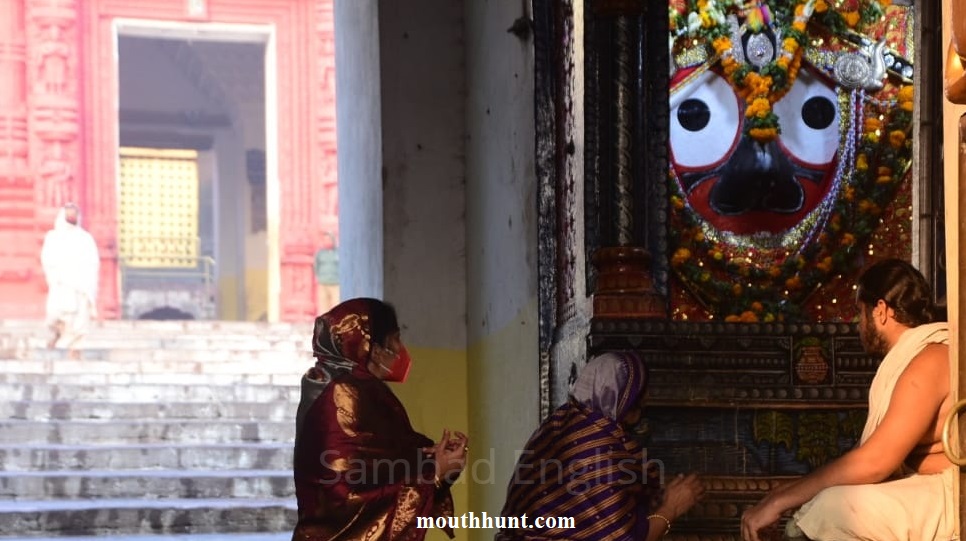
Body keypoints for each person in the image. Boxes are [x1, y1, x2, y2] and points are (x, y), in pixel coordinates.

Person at [740, 259, 956, 541]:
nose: (859, 325)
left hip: (950, 499)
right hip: (931, 492)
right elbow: (865, 461)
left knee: (832, 510)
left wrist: (780, 501)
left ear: (880, 311)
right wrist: (784, 494)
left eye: (860, 313)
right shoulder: (912, 358)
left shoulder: (929, 359)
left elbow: (876, 461)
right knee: (820, 504)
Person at [293, 298, 468, 541]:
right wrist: (434, 474)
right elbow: (341, 496)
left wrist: (432, 459)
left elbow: (385, 460)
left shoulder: (361, 390)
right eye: (395, 339)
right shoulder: (342, 394)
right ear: (371, 348)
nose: (399, 349)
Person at [497, 351, 705, 541]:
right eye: (641, 401)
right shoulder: (603, 454)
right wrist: (671, 509)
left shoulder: (556, 425)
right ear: (624, 403)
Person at [40, 203, 99, 354]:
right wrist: (56, 276)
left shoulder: (85, 238)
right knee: (56, 314)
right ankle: (58, 338)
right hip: (61, 283)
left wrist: (88, 286)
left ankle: (73, 350)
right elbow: (47, 259)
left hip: (81, 286)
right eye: (69, 214)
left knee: (78, 321)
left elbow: (93, 263)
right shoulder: (53, 237)